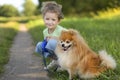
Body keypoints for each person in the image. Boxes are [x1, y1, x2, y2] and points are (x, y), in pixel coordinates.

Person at [35, 1, 67, 70]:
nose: (50, 22)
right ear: (43, 19)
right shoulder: (45, 31)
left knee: (52, 42)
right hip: (57, 53)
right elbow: (47, 47)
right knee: (39, 45)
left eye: (53, 20)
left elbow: (70, 41)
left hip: (66, 53)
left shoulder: (62, 30)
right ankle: (56, 61)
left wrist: (55, 38)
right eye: (47, 19)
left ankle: (64, 63)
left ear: (58, 21)